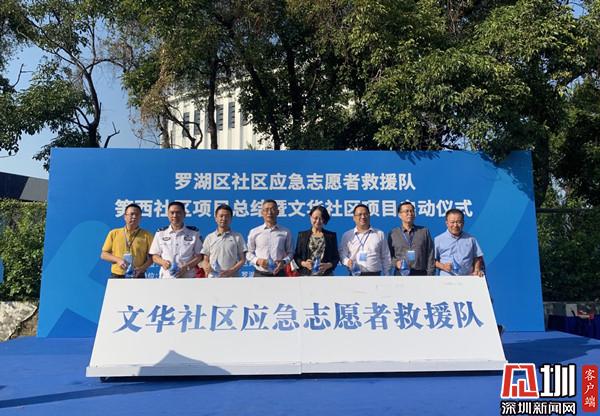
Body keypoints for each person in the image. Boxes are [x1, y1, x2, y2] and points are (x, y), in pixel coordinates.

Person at [149, 201, 203, 278]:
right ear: (168, 215)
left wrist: (186, 267)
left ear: (184, 214)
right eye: (172, 213)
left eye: (178, 213)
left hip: (188, 277)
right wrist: (163, 262)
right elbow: (154, 256)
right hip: (167, 277)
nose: (175, 215)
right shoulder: (160, 233)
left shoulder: (194, 233)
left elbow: (199, 256)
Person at [101, 203, 154, 278]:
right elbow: (104, 254)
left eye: (137, 215)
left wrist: (142, 268)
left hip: (138, 275)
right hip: (117, 275)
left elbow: (152, 258)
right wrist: (118, 260)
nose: (134, 217)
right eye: (131, 214)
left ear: (140, 218)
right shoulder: (114, 233)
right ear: (125, 216)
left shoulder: (147, 235)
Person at [339, 204, 392, 276]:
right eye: (359, 214)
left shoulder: (379, 234)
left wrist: (387, 275)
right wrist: (347, 262)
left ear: (369, 216)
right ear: (354, 218)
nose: (363, 217)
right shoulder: (347, 235)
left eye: (365, 214)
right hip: (354, 275)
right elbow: (342, 254)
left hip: (375, 275)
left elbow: (386, 256)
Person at [246, 199, 293, 277]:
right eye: (266, 210)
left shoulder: (286, 232)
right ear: (262, 213)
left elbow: (291, 253)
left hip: (279, 274)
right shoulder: (254, 232)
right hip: (260, 274)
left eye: (272, 209)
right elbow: (248, 253)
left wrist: (284, 262)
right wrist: (258, 261)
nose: (269, 212)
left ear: (277, 212)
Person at [387, 201, 435, 276]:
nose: (410, 213)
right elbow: (388, 255)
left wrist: (430, 274)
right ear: (399, 215)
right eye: (406, 211)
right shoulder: (393, 233)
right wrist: (396, 263)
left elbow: (430, 254)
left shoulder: (423, 231)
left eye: (412, 211)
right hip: (401, 273)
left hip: (420, 273)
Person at [434, 208, 484, 276]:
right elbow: (432, 261)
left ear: (463, 223)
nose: (455, 225)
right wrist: (443, 266)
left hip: (467, 278)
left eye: (458, 222)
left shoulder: (471, 239)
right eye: (452, 222)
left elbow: (477, 257)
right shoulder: (438, 240)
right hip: (446, 279)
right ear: (447, 223)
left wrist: (477, 269)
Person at [202, 204, 247, 278]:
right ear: (216, 218)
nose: (224, 218)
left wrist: (231, 270)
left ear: (231, 218)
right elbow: (205, 260)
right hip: (213, 278)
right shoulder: (209, 237)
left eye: (227, 216)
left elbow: (242, 259)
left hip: (232, 277)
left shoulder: (238, 236)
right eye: (221, 216)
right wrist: (206, 267)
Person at [293, 206, 340, 276]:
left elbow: (336, 257)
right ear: (310, 218)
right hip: (306, 275)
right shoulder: (302, 235)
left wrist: (328, 265)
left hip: (326, 275)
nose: (318, 221)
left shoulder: (331, 236)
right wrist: (304, 264)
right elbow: (296, 256)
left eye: (321, 218)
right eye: (315, 218)